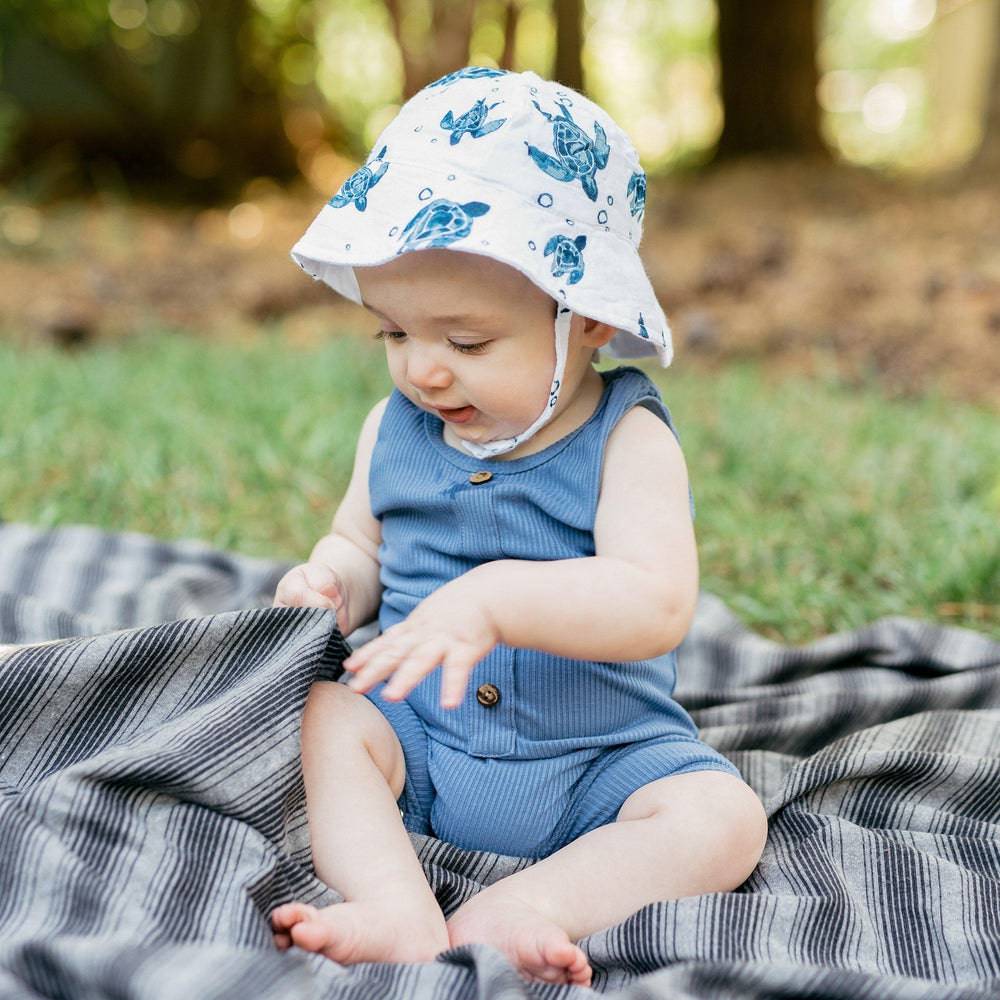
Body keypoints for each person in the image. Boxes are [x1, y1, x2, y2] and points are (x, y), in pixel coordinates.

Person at [269, 66, 768, 988]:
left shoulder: (630, 440)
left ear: (584, 323)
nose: (422, 371)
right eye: (393, 333)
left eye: (465, 343)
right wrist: (332, 583)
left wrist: (496, 600)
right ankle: (393, 903)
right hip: (417, 739)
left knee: (724, 817)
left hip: (600, 759)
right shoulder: (395, 431)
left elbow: (655, 602)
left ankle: (534, 906)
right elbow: (362, 544)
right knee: (322, 716)